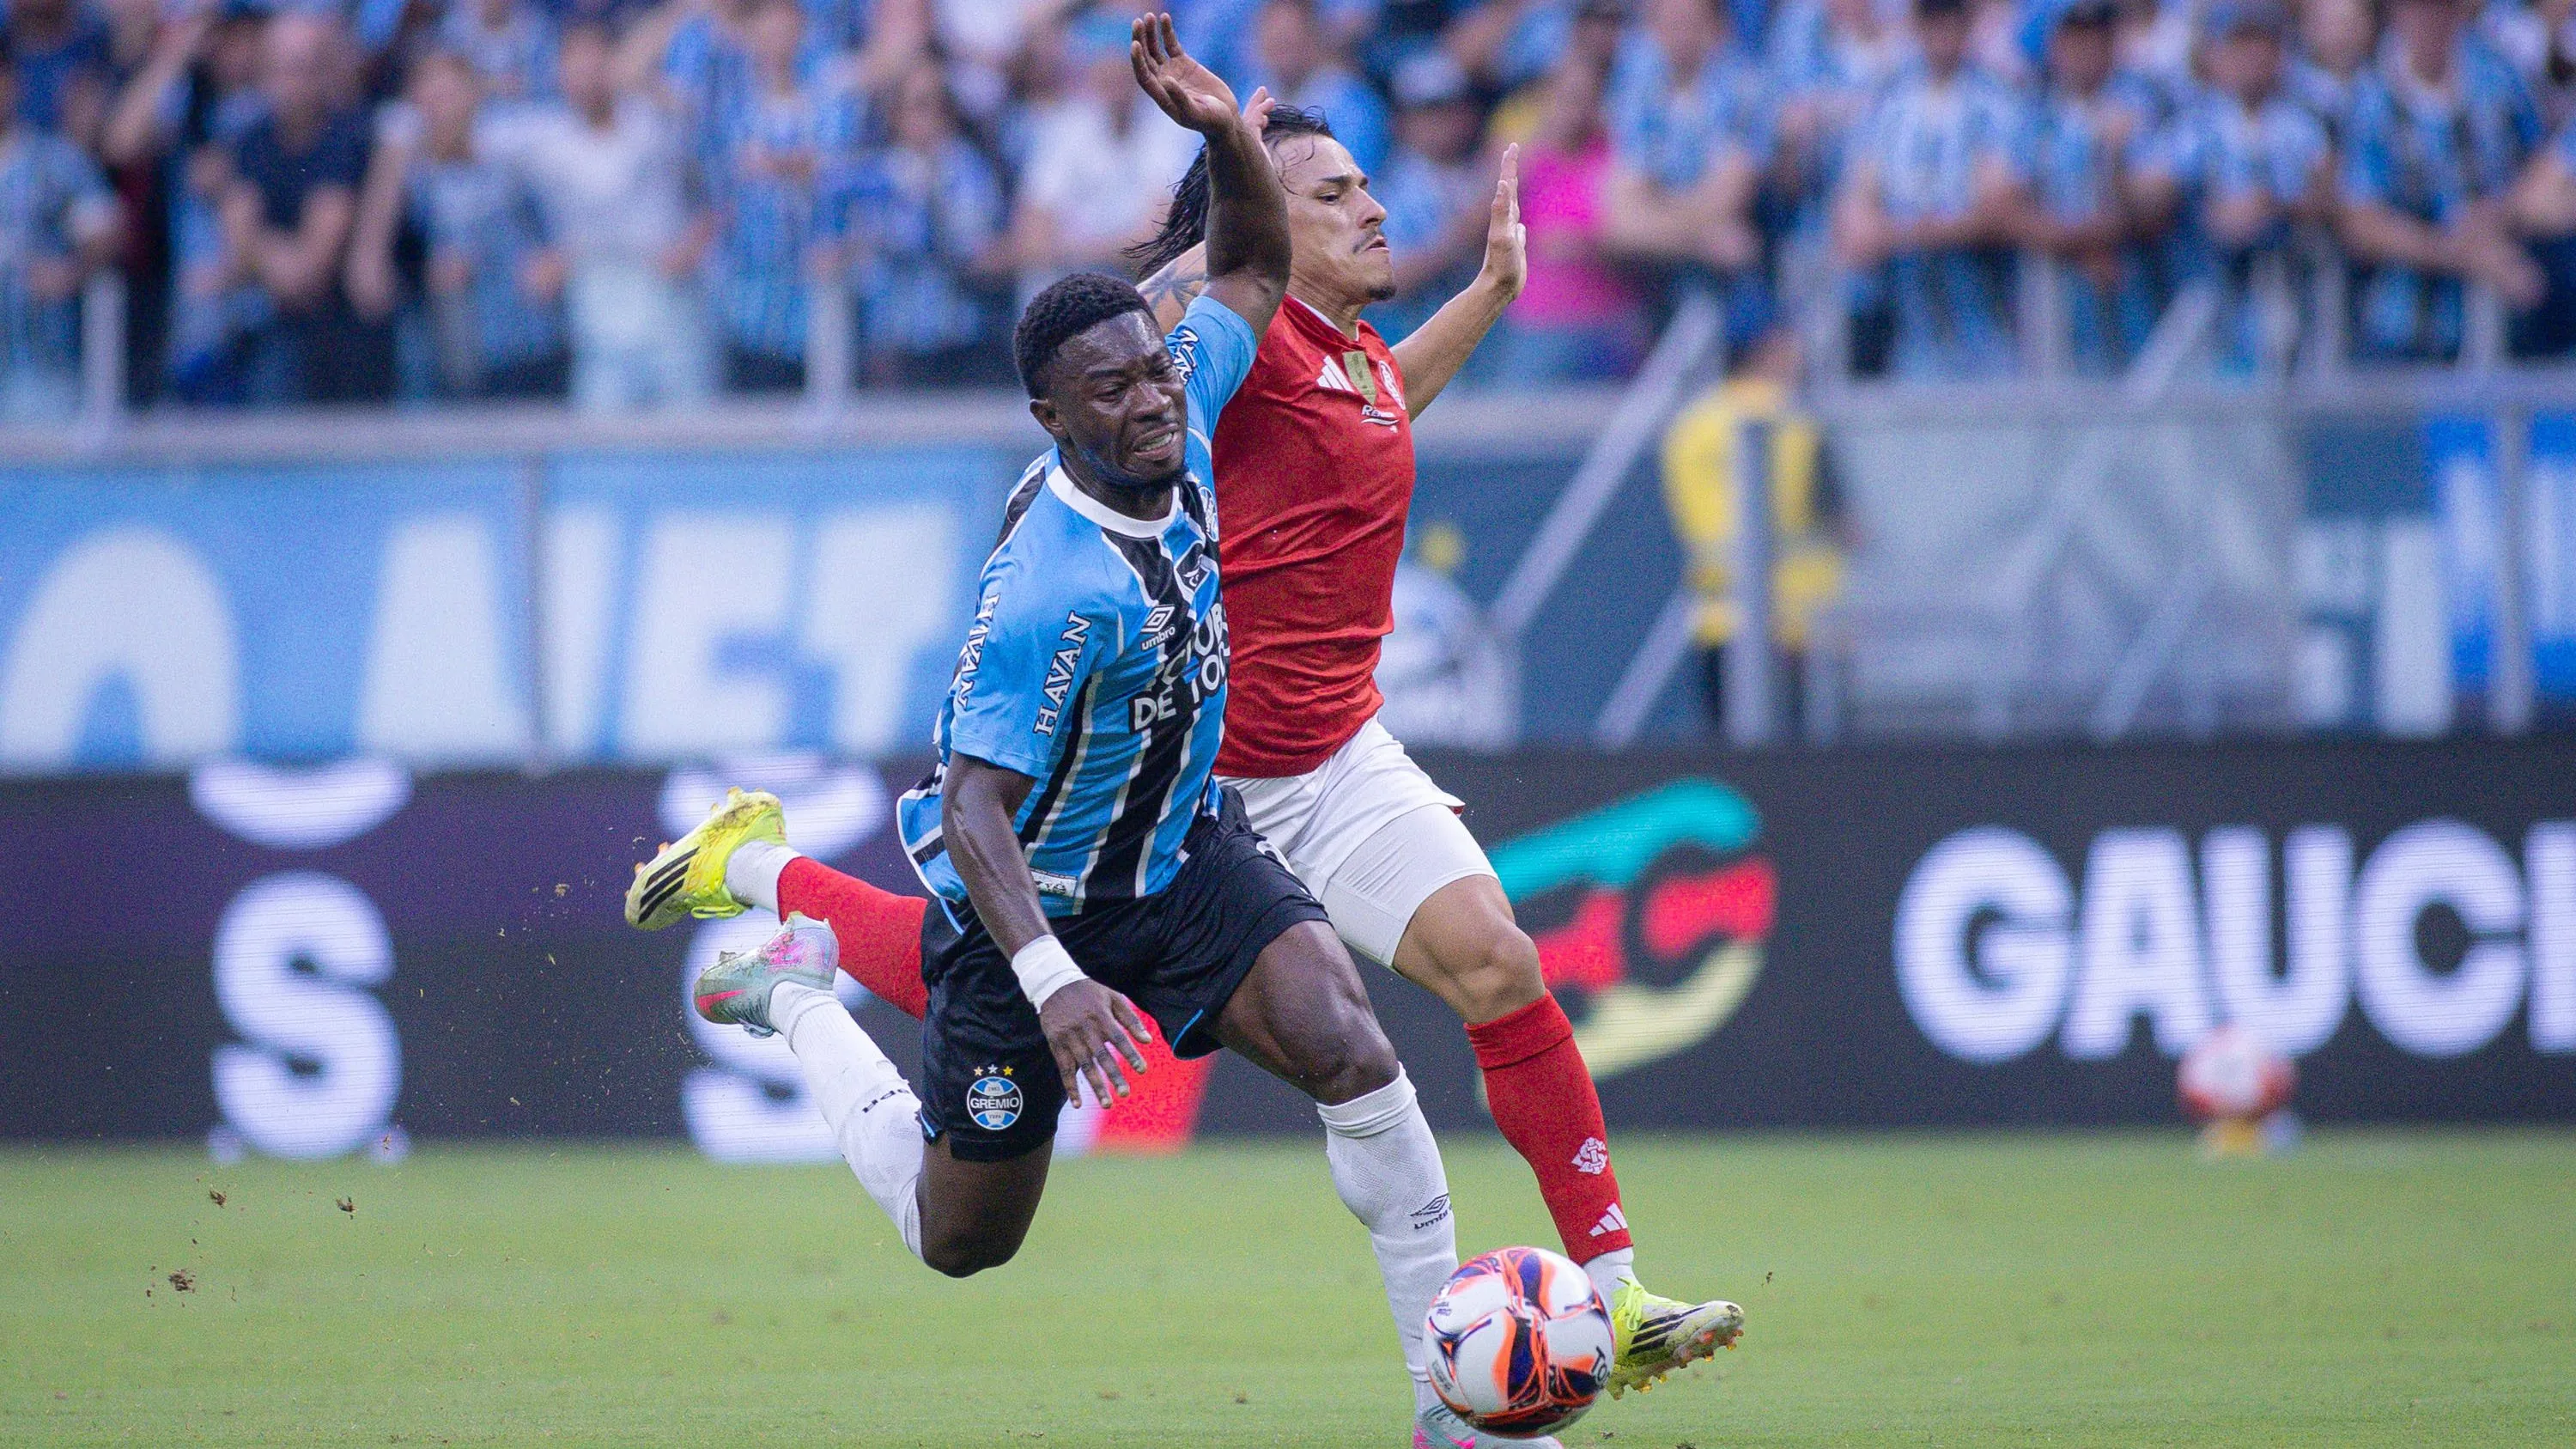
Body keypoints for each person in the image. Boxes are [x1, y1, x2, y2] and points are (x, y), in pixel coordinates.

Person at [683, 91, 1742, 1420]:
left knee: (1447, 990)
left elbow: (1367, 403)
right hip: (1175, 780)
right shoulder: (1169, 389)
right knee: (971, 1161)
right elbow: (1124, 351)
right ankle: (783, 931)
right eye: (1333, 193)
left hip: (1307, 768)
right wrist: (1222, 168)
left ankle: (1539, 1341)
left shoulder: (1308, 358)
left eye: (1366, 183)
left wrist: (1487, 292)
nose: (1371, 207)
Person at [483, 21, 714, 411]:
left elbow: (718, 182)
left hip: (670, 305)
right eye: (573, 66)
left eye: (594, 63)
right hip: (597, 315)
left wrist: (696, 241)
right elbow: (456, 148)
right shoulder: (543, 137)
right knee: (600, 435)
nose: (585, 77)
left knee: (691, 432)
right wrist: (535, 255)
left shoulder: (656, 120)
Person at [346, 50, 567, 400]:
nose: (441, 109)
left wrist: (551, 258)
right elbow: (376, 266)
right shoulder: (413, 178)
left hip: (527, 337)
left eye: (449, 96)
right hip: (450, 344)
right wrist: (427, 270)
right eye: (430, 99)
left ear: (473, 97)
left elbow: (555, 227)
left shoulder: (508, 161)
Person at [1659, 326, 1848, 734]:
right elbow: (1843, 524)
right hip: (1795, 619)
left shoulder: (1691, 425)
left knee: (1726, 752)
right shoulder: (1796, 422)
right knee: (1797, 759)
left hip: (1716, 614)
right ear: (1765, 352)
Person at [2336, 0, 2544, 362]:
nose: (2429, 19)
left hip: (2511, 321)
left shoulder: (2501, 79)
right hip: (2404, 333)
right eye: (2417, 9)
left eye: (2440, 8)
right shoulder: (2371, 97)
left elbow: (2544, 171)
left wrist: (2503, 214)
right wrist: (2458, 254)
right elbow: (2362, 223)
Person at [1833, 0, 2030, 379]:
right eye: (1932, 19)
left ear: (1967, 24)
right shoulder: (1890, 104)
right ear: (1917, 25)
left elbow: (1998, 213)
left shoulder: (1997, 101)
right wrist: (1930, 225)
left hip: (1986, 330)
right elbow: (1855, 219)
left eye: (1950, 20)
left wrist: (1900, 231)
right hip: (1912, 338)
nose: (1941, 32)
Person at [2130, 0, 2329, 373]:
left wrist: (2273, 207)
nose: (2251, 57)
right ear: (2214, 54)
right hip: (2207, 301)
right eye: (2239, 44)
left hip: (2287, 295)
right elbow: (2148, 195)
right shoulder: (2193, 124)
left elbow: (2330, 198)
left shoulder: (2303, 123)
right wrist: (2200, 205)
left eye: (2262, 43)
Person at [220, 12, 387, 405]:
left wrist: (259, 249)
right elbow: (236, 245)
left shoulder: (347, 137)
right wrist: (268, 254)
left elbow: (314, 263)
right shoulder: (249, 141)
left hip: (345, 334)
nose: (291, 83)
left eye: (302, 69)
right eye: (280, 69)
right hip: (273, 329)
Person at [817, 64, 1013, 386]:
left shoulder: (968, 170)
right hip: (892, 338)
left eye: (937, 107)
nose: (928, 118)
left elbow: (968, 244)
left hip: (958, 334)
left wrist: (888, 233)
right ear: (896, 115)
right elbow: (834, 213)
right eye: (918, 106)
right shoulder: (873, 173)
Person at [2018, 0, 2160, 374]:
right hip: (2057, 292)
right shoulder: (2033, 114)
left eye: (2094, 39)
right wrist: (2081, 245)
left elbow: (2157, 206)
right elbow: (2005, 205)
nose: (2083, 51)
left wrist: (2115, 163)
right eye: (2073, 39)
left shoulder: (2145, 106)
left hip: (2133, 287)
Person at [0, 31, 120, 420]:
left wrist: (71, 272)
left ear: (12, 82)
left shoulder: (56, 163)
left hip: (42, 382)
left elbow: (106, 232)